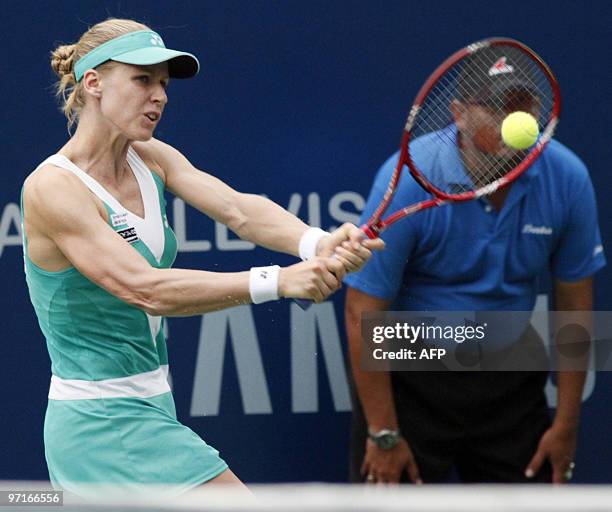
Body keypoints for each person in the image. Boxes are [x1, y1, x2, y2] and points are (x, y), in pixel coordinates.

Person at [21, 18, 383, 496]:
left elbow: (238, 209)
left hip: (149, 405)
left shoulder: (148, 156)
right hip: (101, 421)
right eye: (142, 79)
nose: (160, 96)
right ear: (93, 83)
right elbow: (143, 288)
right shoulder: (53, 187)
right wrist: (278, 281)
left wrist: (315, 243)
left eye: (164, 84)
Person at [344, 44, 605, 484]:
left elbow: (575, 308)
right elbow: (361, 312)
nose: (514, 122)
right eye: (498, 107)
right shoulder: (410, 178)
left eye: (524, 107)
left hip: (509, 374)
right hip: (412, 372)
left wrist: (566, 425)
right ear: (459, 113)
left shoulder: (568, 178)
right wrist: (385, 433)